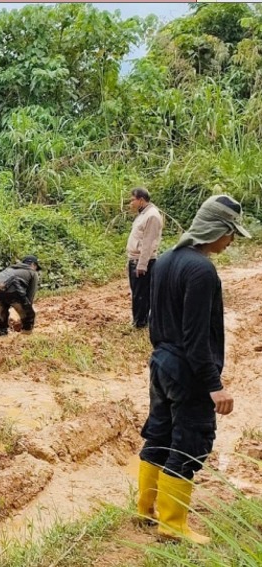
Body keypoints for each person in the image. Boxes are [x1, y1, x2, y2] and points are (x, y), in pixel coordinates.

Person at [136, 194, 248, 545]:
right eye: (231, 234)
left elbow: (156, 321)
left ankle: (145, 509)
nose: (230, 242)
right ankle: (173, 526)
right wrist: (215, 385)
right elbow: (196, 337)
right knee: (189, 443)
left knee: (160, 434)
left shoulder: (166, 260)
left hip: (161, 363)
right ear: (217, 230)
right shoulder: (201, 270)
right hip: (188, 371)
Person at [127, 187, 164, 328]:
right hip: (135, 258)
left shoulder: (152, 216)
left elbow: (148, 242)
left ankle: (140, 322)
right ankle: (139, 319)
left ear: (141, 200)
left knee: (141, 293)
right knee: (138, 292)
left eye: (133, 200)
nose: (131, 203)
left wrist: (142, 264)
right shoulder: (144, 214)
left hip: (142, 261)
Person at [0, 255, 40, 336]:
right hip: (14, 292)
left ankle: (2, 334)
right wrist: (27, 309)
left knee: (1, 316)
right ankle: (26, 334)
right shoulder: (32, 272)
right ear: (33, 264)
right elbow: (31, 293)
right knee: (29, 316)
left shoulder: (10, 268)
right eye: (36, 267)